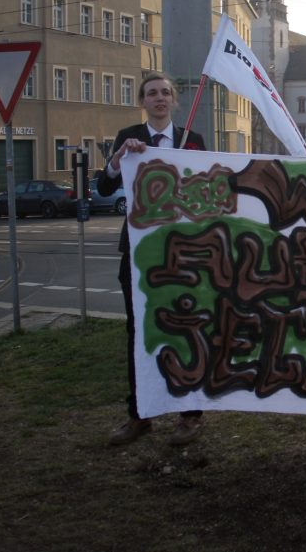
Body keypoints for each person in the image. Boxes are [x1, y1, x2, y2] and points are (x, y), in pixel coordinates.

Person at [97, 73, 207, 446]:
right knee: (139, 333)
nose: (159, 98)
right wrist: (117, 160)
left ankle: (190, 415)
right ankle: (139, 415)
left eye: (165, 93)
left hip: (183, 253)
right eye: (151, 93)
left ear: (174, 100)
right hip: (139, 253)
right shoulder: (128, 136)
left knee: (186, 330)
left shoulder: (193, 140)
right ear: (143, 101)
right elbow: (105, 185)